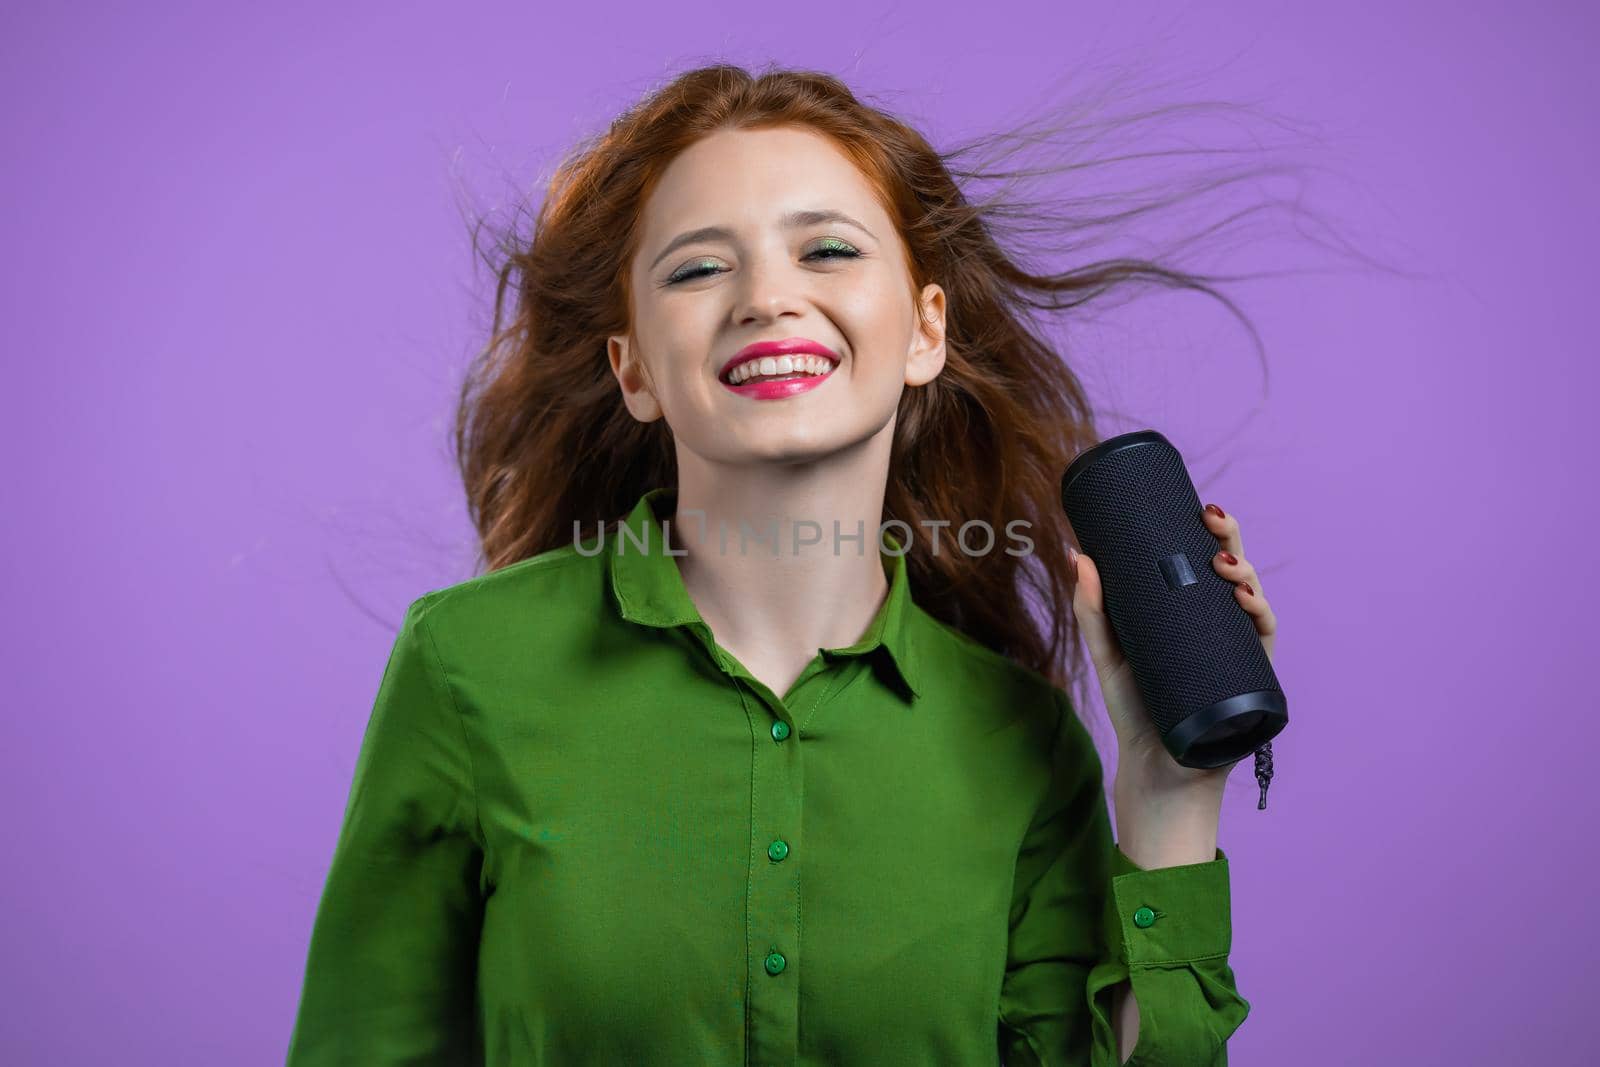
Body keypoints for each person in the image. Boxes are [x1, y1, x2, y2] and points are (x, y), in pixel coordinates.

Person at [286, 63, 1283, 1066]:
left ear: (924, 330)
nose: (767, 297)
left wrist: (1166, 796)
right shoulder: (469, 665)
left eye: (828, 249)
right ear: (633, 368)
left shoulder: (1022, 741)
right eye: (696, 268)